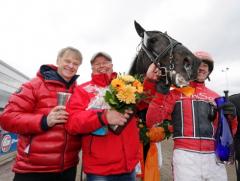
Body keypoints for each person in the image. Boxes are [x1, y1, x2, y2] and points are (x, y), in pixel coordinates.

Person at [146, 51, 237, 181]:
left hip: (214, 158)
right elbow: (152, 121)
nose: (201, 67)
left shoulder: (216, 97)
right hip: (185, 157)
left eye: (205, 65)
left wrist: (232, 118)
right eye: (198, 63)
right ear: (188, 67)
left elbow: (229, 133)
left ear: (209, 71)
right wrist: (160, 93)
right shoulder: (174, 94)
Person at [0, 47, 83, 181]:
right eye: (67, 61)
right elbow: (7, 118)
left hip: (67, 168)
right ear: (58, 61)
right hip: (33, 170)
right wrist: (44, 121)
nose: (71, 66)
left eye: (76, 63)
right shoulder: (33, 86)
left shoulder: (79, 92)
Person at [65, 52, 140, 181]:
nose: (101, 66)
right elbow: (72, 123)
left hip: (129, 166)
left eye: (105, 62)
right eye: (97, 64)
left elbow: (145, 105)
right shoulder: (83, 90)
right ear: (92, 68)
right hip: (100, 171)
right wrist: (102, 117)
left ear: (112, 65)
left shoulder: (128, 87)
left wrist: (150, 80)